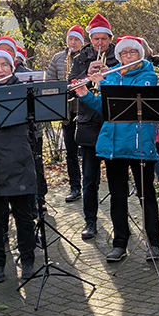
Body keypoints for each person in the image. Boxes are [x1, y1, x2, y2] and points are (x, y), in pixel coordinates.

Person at [74, 35, 159, 262]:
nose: (128, 57)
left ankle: (154, 243)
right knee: (117, 197)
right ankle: (120, 243)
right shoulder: (113, 77)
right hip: (113, 146)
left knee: (146, 197)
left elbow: (132, 100)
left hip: (138, 145)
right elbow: (104, 109)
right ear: (119, 56)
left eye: (132, 53)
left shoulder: (147, 76)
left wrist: (103, 81)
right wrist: (85, 94)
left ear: (140, 55)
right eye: (124, 54)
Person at [0, 47, 39, 283]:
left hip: (17, 160)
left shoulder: (23, 90)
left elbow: (0, 113)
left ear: (12, 68)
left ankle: (28, 260)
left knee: (23, 215)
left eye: (4, 65)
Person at [69, 13, 118, 240]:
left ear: (110, 38)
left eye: (104, 39)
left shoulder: (119, 57)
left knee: (116, 178)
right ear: (91, 38)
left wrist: (107, 78)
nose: (100, 43)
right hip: (88, 124)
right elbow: (71, 84)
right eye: (96, 38)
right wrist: (88, 75)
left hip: (112, 124)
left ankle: (120, 225)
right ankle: (90, 220)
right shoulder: (80, 58)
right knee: (89, 178)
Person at [48, 25, 86, 202]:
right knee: (70, 151)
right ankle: (74, 186)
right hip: (66, 110)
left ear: (82, 42)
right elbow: (48, 82)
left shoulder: (87, 56)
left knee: (86, 151)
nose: (73, 42)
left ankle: (88, 185)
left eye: (76, 39)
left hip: (84, 108)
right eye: (70, 39)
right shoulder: (58, 59)